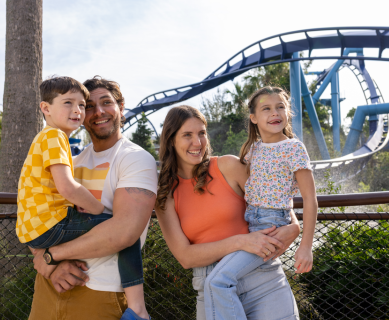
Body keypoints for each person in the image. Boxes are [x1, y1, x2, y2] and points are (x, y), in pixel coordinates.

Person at [155, 105, 302, 320]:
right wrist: (241, 242)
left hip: (262, 280)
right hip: (210, 288)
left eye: (202, 133)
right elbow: (185, 257)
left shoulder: (227, 166)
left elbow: (274, 201)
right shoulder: (165, 194)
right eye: (187, 135)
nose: (198, 143)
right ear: (171, 140)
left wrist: (294, 225)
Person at [28, 76, 157, 320]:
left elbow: (124, 232)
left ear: (121, 108)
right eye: (89, 106)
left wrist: (51, 256)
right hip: (50, 286)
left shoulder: (135, 159)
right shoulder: (70, 163)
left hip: (100, 291)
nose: (98, 112)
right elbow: (37, 210)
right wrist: (50, 266)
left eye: (106, 102)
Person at [203, 86, 318, 319]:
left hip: (271, 228)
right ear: (254, 118)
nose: (274, 113)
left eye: (280, 107)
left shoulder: (293, 148)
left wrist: (305, 246)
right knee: (218, 279)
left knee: (218, 281)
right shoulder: (252, 150)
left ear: (287, 113)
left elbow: (310, 199)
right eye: (266, 108)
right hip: (250, 226)